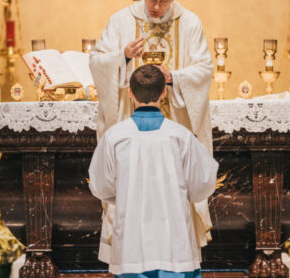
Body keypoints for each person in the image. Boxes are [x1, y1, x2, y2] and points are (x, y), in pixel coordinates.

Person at [89, 0, 215, 262]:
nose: (156, 7)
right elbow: (97, 61)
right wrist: (122, 56)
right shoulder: (121, 20)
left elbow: (204, 68)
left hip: (175, 127)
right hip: (129, 129)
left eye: (164, 1)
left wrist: (173, 77)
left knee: (175, 196)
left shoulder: (190, 22)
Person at [88, 65, 218, 278]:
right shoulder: (181, 136)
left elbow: (100, 186)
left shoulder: (115, 137)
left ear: (130, 93)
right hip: (174, 245)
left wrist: (124, 194)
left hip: (132, 244)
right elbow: (202, 186)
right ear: (164, 93)